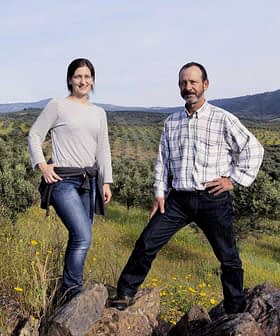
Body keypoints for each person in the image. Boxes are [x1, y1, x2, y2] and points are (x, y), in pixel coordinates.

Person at [110, 62, 264, 314]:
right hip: (178, 200)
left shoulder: (222, 118)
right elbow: (163, 161)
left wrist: (233, 180)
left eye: (193, 82)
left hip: (212, 199)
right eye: (183, 83)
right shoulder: (172, 122)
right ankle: (125, 293)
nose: (188, 87)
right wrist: (159, 193)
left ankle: (235, 309)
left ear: (205, 84)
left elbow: (253, 148)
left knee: (228, 257)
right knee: (147, 242)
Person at [28, 58, 112, 302]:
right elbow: (34, 134)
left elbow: (103, 149)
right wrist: (42, 165)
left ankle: (71, 286)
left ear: (93, 80)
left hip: (89, 182)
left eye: (87, 76)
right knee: (82, 235)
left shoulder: (99, 113)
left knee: (81, 237)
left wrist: (106, 182)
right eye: (78, 76)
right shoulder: (58, 106)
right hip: (63, 181)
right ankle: (72, 290)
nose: (83, 81)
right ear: (69, 80)